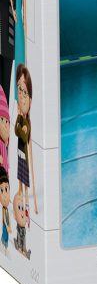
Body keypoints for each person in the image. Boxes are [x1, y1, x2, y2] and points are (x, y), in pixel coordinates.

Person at [15, 65, 37, 217]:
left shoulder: (27, 123)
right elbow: (17, 131)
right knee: (19, 175)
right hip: (19, 152)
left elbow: (23, 135)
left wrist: (21, 129)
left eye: (25, 92)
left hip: (24, 155)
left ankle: (27, 200)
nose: (22, 97)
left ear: (30, 99)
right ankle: (20, 191)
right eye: (19, 90)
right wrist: (18, 119)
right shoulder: (20, 119)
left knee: (25, 175)